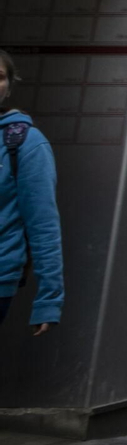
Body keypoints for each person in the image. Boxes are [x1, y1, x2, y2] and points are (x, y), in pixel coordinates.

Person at [0, 49, 64, 335]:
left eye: (0, 77)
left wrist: (49, 298)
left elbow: (43, 224)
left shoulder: (25, 142)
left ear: (9, 87)